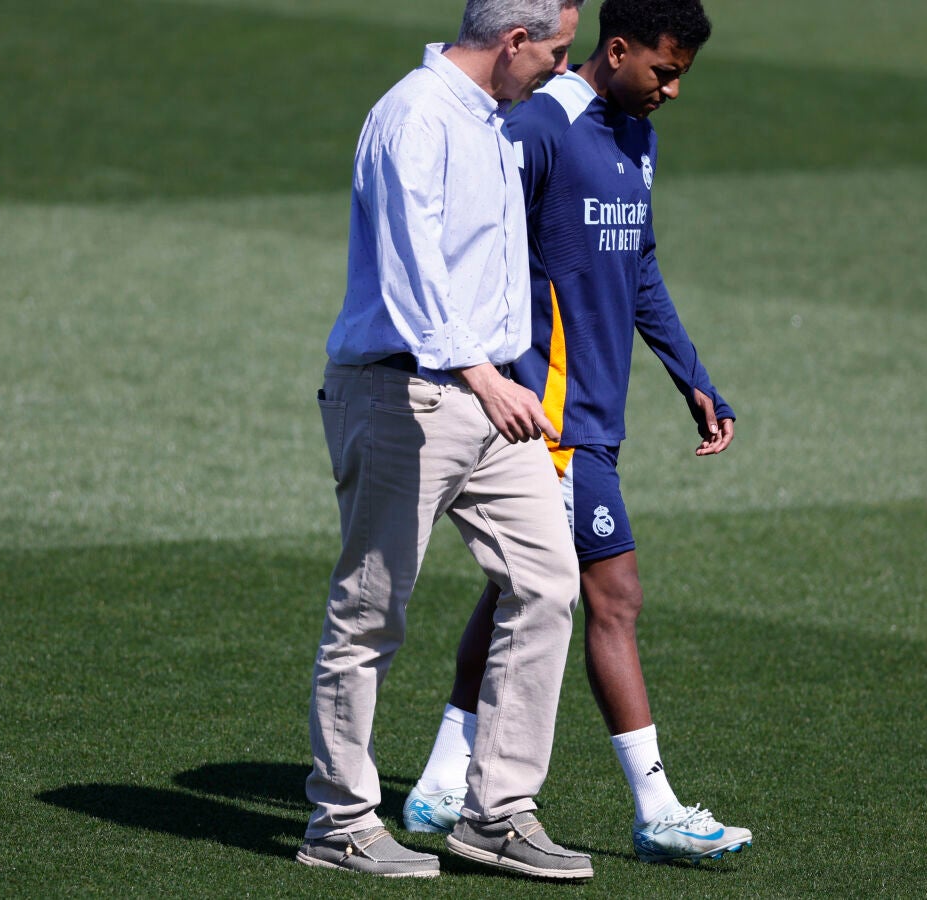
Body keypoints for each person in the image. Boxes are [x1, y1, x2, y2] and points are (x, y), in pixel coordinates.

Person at [402, 0, 753, 866]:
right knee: (613, 594)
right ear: (618, 49)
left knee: (520, 587)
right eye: (664, 71)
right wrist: (490, 371)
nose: (672, 90)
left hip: (597, 411)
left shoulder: (637, 137)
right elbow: (466, 240)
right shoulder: (541, 129)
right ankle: (656, 807)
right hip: (548, 415)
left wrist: (691, 376)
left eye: (682, 76)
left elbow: (639, 267)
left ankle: (442, 778)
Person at [296, 0, 595, 883]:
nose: (561, 68)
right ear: (513, 41)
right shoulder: (413, 118)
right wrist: (484, 375)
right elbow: (411, 267)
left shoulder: (493, 118)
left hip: (489, 396)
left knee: (547, 584)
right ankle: (339, 823)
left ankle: (497, 813)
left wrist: (501, 376)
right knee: (371, 610)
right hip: (405, 395)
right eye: (556, 52)